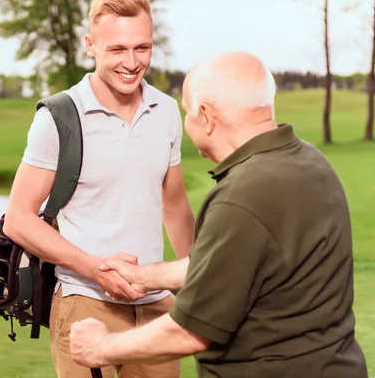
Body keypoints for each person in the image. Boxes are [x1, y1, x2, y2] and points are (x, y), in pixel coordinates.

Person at [69, 50, 369, 378]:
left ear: (207, 116)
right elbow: (232, 265)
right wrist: (143, 276)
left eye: (187, 111)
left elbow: (188, 331)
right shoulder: (308, 161)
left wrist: (101, 347)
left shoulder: (242, 196)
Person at [2, 0, 195, 377]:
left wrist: (199, 278)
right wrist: (94, 268)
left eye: (141, 47)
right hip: (85, 302)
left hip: (157, 306)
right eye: (117, 49)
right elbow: (18, 219)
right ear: (90, 45)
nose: (131, 62)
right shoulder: (57, 118)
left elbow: (174, 204)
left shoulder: (167, 111)